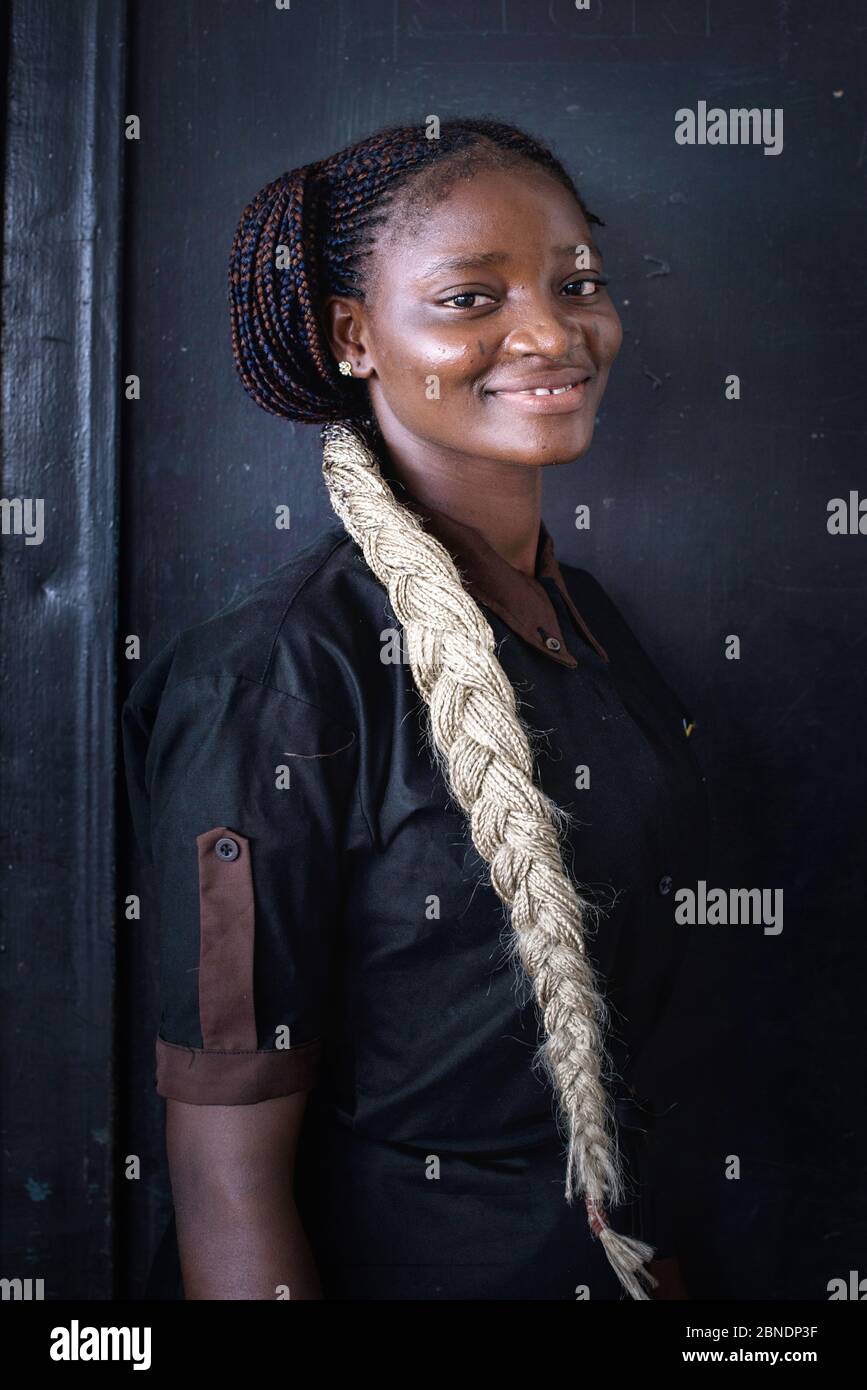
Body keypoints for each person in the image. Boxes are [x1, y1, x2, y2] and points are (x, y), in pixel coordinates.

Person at [122, 117, 711, 1301]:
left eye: (577, 283)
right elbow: (228, 1191)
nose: (552, 332)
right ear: (354, 335)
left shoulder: (587, 620)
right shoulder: (273, 683)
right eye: (468, 297)